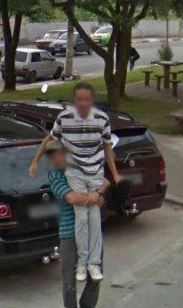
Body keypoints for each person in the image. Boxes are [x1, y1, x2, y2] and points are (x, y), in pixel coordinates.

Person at [29, 81, 122, 284]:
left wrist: (114, 175)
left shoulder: (102, 119)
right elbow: (49, 139)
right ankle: (82, 262)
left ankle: (93, 264)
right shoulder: (64, 118)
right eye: (79, 99)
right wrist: (35, 161)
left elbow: (107, 148)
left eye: (86, 99)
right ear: (75, 100)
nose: (82, 103)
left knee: (94, 218)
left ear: (91, 100)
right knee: (82, 217)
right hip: (75, 173)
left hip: (95, 172)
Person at [45, 140, 110, 308]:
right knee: (69, 276)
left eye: (60, 155)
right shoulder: (55, 175)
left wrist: (98, 194)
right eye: (53, 157)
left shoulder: (83, 168)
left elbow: (105, 183)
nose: (58, 160)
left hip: (92, 231)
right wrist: (95, 196)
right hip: (69, 232)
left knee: (95, 271)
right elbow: (72, 198)